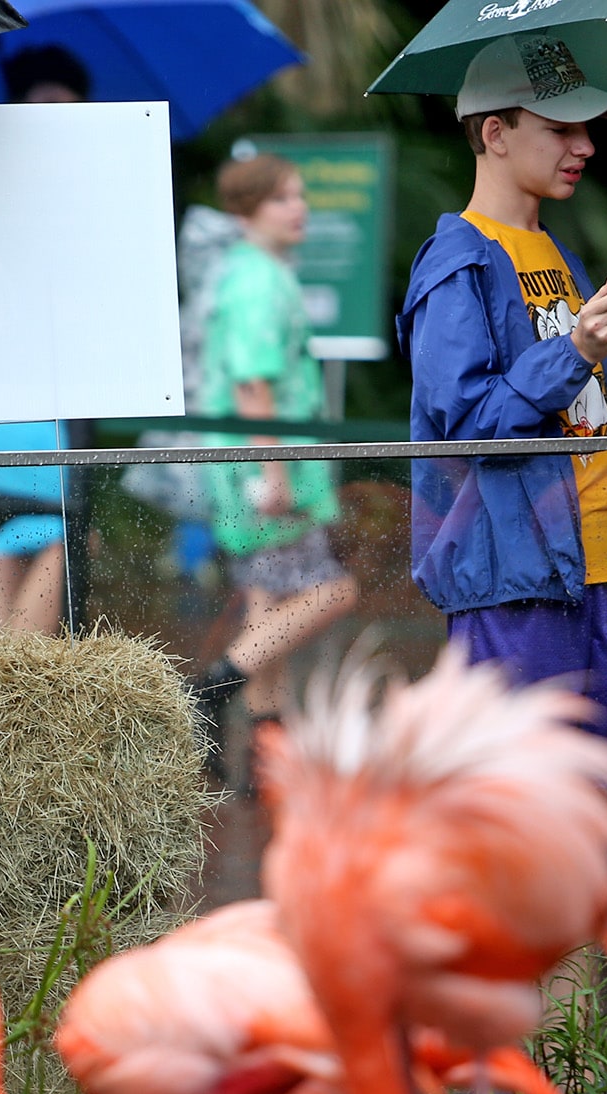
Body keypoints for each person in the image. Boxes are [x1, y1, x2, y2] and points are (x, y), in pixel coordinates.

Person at [397, 35, 607, 771]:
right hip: (515, 581)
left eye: (586, 129)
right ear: (493, 133)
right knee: (519, 797)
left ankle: (606, 897)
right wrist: (575, 350)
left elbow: (603, 403)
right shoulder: (457, 261)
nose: (584, 147)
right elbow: (468, 425)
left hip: (600, 564)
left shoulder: (560, 255)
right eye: (560, 129)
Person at [190, 154, 359, 773]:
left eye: (300, 196)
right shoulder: (258, 279)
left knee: (268, 604)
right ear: (246, 210)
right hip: (264, 471)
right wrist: (278, 474)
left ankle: (264, 761)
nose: (299, 209)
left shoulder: (251, 271)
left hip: (249, 468)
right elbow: (251, 386)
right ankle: (211, 687)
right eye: (283, 198)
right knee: (334, 589)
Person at [0, 45, 96, 634]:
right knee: (48, 527)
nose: (61, 111)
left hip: (24, 382)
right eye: (49, 99)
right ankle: (22, 683)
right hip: (10, 382)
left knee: (16, 532)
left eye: (70, 102)